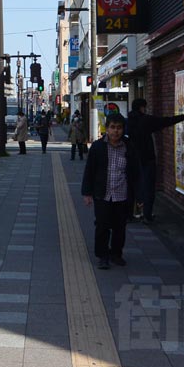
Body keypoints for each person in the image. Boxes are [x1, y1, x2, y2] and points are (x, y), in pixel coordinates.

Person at [81, 112, 140, 270]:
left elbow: (135, 172)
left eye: (119, 128)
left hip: (122, 195)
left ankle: (116, 254)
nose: (116, 131)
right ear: (106, 129)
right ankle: (103, 255)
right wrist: (87, 193)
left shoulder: (129, 146)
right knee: (102, 226)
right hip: (103, 194)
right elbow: (89, 171)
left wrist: (138, 195)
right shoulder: (98, 147)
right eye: (112, 127)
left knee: (120, 227)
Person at [127, 98, 184, 224]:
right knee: (148, 186)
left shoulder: (128, 121)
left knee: (133, 186)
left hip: (132, 159)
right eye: (144, 107)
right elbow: (164, 122)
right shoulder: (145, 120)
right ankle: (147, 214)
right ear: (141, 107)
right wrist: (183, 117)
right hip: (147, 158)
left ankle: (130, 214)